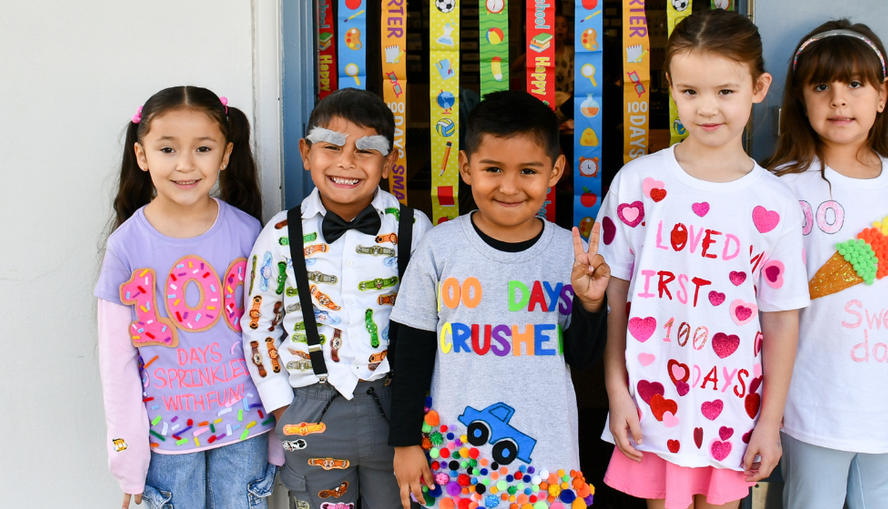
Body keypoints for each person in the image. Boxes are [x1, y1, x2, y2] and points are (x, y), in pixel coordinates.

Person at [597, 10, 809, 509]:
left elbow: (781, 323)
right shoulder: (638, 183)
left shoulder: (776, 203)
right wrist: (616, 392)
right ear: (670, 86)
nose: (707, 108)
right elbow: (617, 304)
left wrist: (770, 424)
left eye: (725, 92)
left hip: (733, 414)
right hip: (650, 406)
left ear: (759, 87)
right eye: (690, 92)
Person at [386, 90, 611, 509]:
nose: (509, 187)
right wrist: (404, 443)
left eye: (528, 170)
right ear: (467, 168)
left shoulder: (570, 255)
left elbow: (582, 360)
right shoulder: (441, 249)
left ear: (555, 170)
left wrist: (591, 305)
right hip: (454, 462)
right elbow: (410, 355)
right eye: (493, 169)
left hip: (546, 461)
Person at [765, 20, 888, 509]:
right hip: (808, 396)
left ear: (882, 96)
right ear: (799, 99)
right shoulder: (780, 187)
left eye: (855, 84)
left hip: (887, 400)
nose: (838, 99)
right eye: (821, 85)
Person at [243, 88, 431, 509]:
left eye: (366, 150)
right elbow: (259, 327)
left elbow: (431, 325)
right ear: (306, 152)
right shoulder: (278, 234)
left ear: (390, 161)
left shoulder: (415, 229)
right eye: (330, 147)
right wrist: (282, 410)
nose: (346, 161)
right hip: (309, 407)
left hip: (395, 406)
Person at [94, 86, 272, 509]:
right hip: (168, 442)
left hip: (246, 433)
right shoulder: (126, 246)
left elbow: (270, 335)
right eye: (168, 149)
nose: (186, 165)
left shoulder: (251, 234)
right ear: (142, 156)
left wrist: (283, 432)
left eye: (203, 148)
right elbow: (116, 365)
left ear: (225, 155)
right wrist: (128, 459)